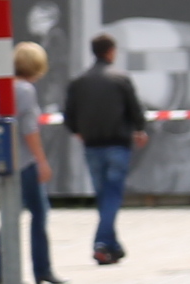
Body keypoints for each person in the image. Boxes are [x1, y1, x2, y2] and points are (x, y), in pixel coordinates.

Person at [64, 33, 151, 267]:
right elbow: (135, 109)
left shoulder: (79, 82)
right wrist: (140, 129)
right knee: (112, 195)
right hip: (117, 144)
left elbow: (69, 115)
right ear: (111, 51)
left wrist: (77, 130)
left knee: (103, 195)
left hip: (91, 146)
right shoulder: (120, 79)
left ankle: (113, 246)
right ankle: (102, 244)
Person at [0, 40, 62, 284]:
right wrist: (42, 161)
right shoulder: (26, 90)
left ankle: (2, 271)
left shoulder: (5, 86)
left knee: (10, 216)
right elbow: (29, 130)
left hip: (8, 159)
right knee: (39, 214)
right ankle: (42, 269)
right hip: (25, 161)